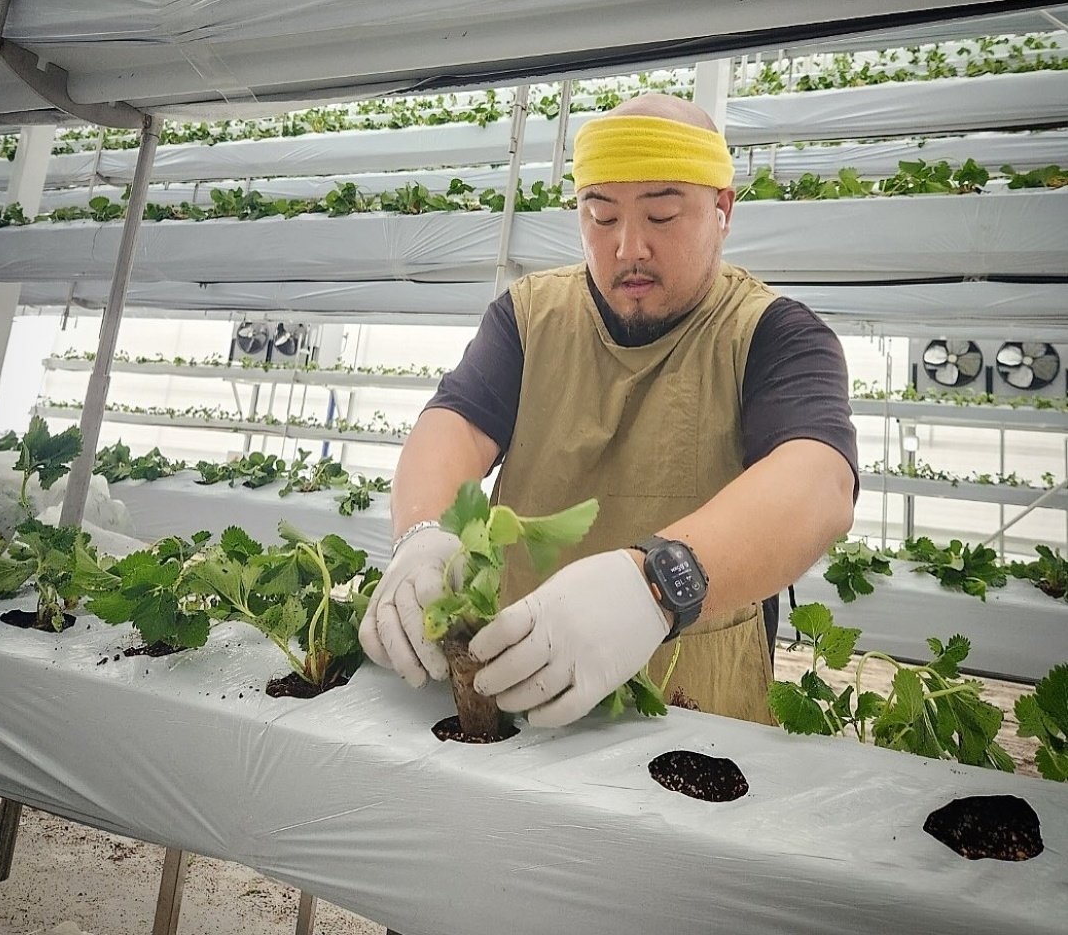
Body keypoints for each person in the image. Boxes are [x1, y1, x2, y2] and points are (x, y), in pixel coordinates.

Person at [359, 92, 858, 728]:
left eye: (662, 216)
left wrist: (655, 585)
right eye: (601, 218)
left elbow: (818, 481)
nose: (628, 248)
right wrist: (423, 535)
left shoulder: (772, 333)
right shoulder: (530, 316)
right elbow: (455, 421)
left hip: (692, 706)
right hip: (519, 677)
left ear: (723, 210)